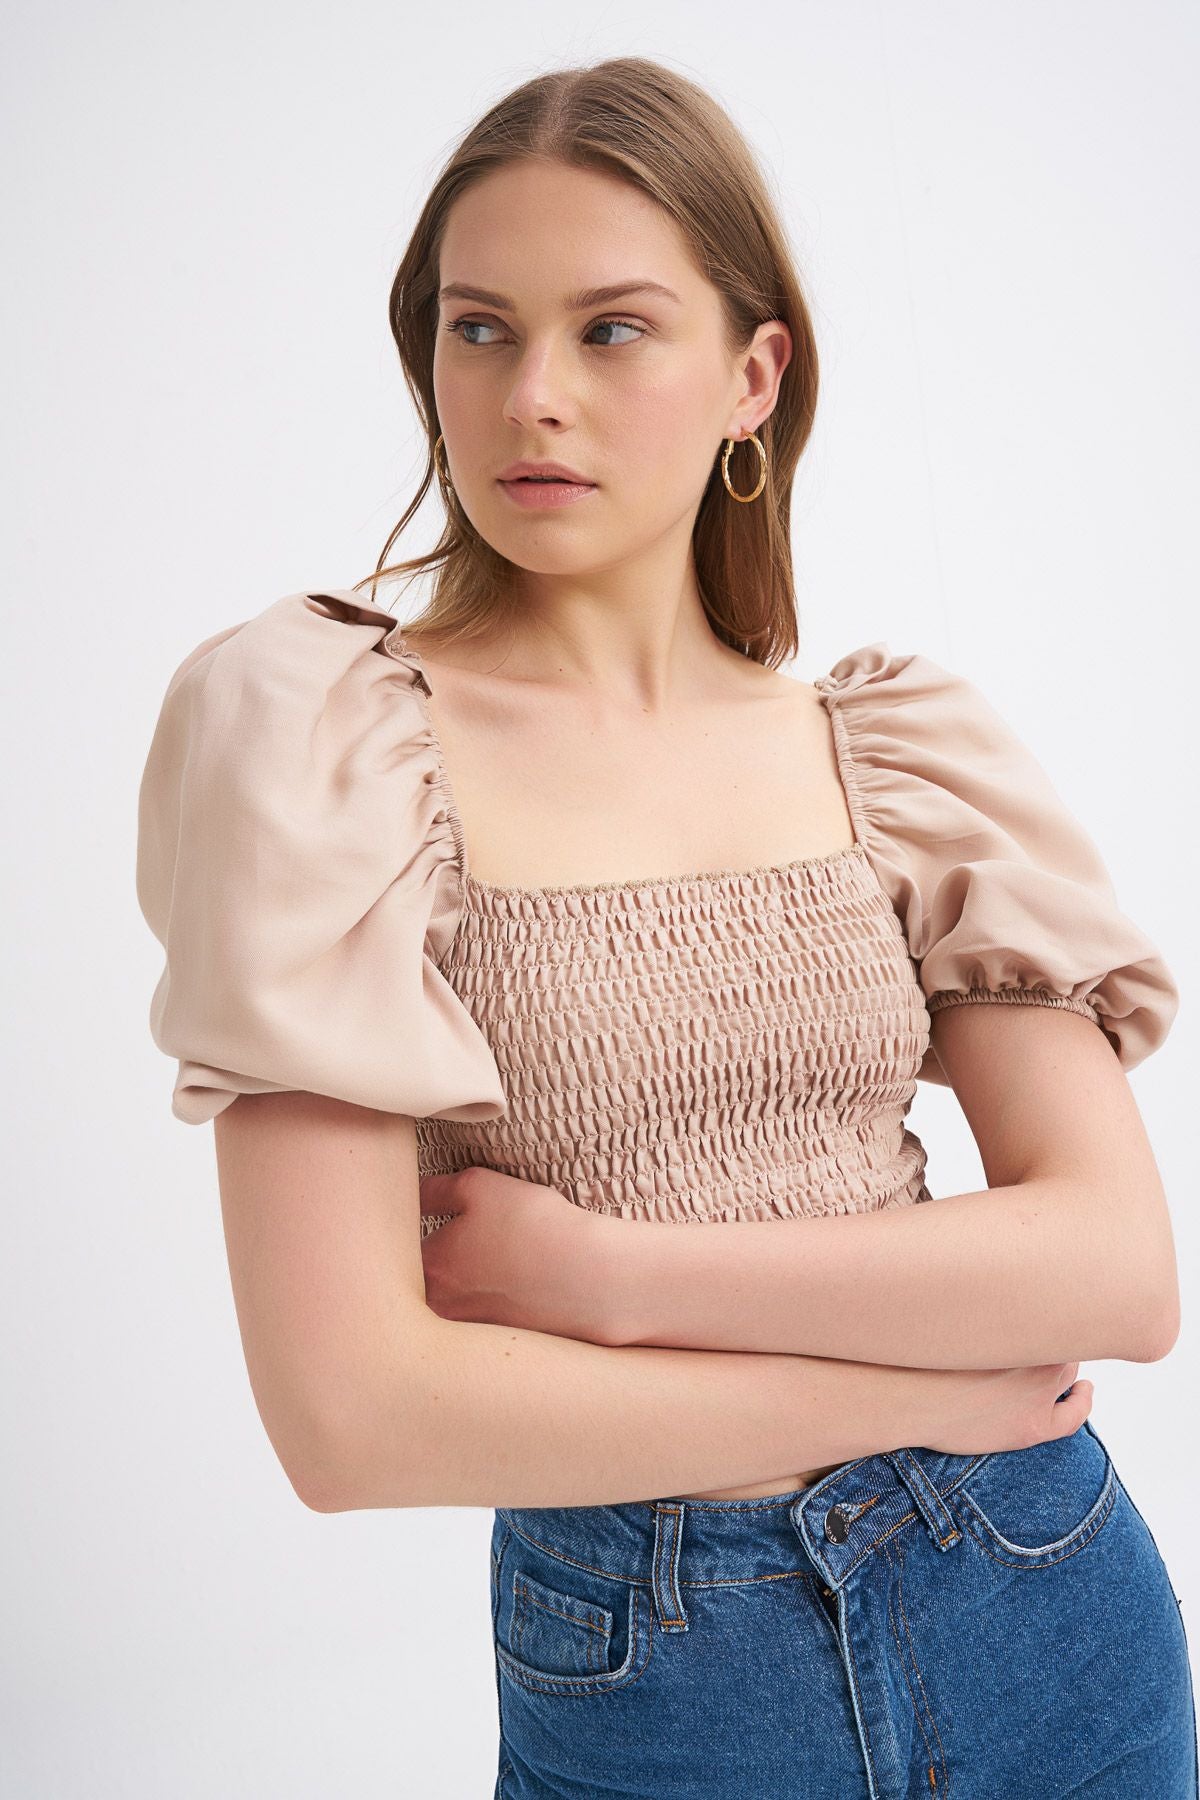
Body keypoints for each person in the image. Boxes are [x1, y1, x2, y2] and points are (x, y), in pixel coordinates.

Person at [135, 54, 1196, 1800]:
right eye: (480, 331)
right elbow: (350, 1418)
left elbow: (1117, 1271)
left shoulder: (899, 752)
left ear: (752, 377)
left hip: (1045, 1601)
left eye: (612, 330)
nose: (532, 396)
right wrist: (902, 1391)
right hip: (665, 1662)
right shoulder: (322, 742)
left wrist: (614, 1281)